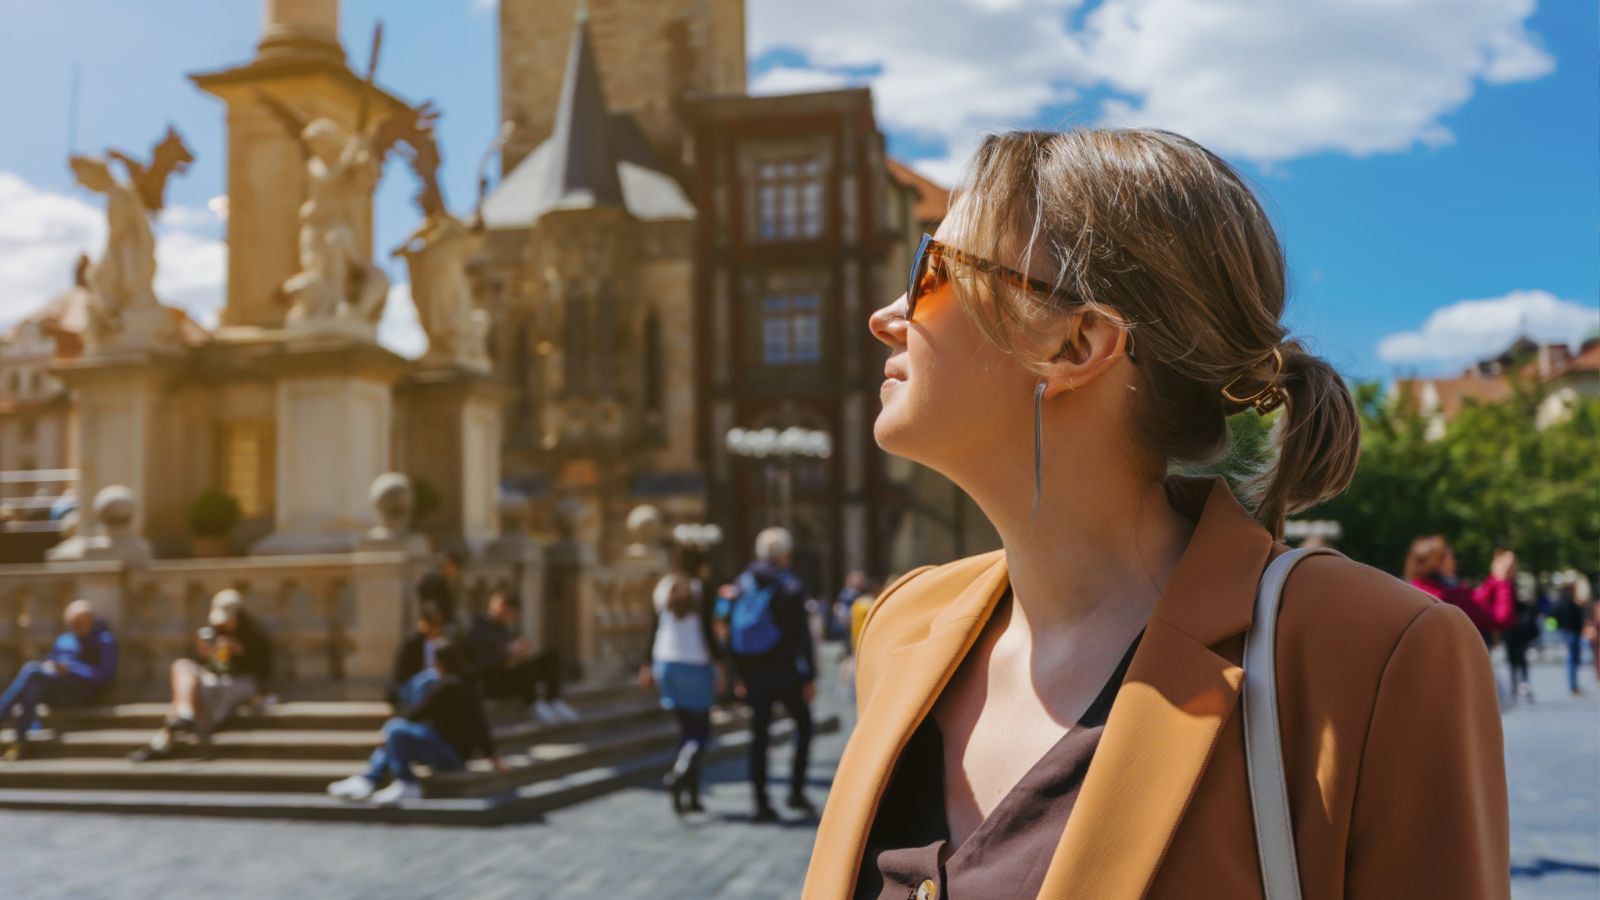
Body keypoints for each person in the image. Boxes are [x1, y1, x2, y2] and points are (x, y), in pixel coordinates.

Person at [803, 129, 1508, 899]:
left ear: (1078, 344)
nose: (887, 315)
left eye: (931, 270)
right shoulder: (903, 628)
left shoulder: (1371, 656)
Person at [327, 639, 505, 805]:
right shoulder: (467, 686)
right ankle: (368, 779)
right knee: (396, 734)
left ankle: (402, 782)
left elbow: (418, 712)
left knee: (395, 730)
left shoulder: (446, 687)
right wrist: (492, 756)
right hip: (456, 755)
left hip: (450, 755)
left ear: (439, 662)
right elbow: (482, 724)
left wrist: (390, 730)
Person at [726, 526, 817, 823]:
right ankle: (796, 791)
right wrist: (809, 676)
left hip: (753, 672)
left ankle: (761, 802)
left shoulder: (743, 583)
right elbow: (802, 636)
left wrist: (737, 676)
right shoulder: (790, 586)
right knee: (803, 726)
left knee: (759, 736)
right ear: (785, 555)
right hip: (785, 671)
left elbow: (731, 631)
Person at [130, 589, 273, 762]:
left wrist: (239, 650)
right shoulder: (215, 633)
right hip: (211, 682)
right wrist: (208, 654)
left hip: (237, 684)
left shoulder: (254, 636)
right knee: (182, 666)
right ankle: (183, 714)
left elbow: (263, 670)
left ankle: (165, 737)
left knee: (185, 696)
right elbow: (206, 666)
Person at [639, 545, 726, 815]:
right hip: (696, 663)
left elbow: (653, 628)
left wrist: (646, 663)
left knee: (686, 732)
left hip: (667, 662)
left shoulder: (663, 586)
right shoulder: (702, 587)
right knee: (700, 733)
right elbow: (708, 632)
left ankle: (691, 794)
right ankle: (679, 775)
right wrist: (720, 663)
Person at [0, 600, 117, 761]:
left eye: (79, 623)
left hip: (82, 693)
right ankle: (19, 740)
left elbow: (106, 676)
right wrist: (51, 666)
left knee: (32, 671)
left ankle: (9, 725)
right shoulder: (64, 639)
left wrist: (72, 669)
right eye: (71, 623)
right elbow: (51, 661)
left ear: (90, 620)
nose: (75, 627)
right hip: (57, 690)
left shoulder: (104, 640)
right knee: (33, 684)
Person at [465, 590, 577, 723]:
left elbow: (511, 647)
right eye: (511, 614)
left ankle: (553, 700)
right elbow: (484, 664)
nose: (512, 618)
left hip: (514, 673)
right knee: (522, 664)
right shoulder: (478, 630)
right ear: (501, 607)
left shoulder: (504, 628)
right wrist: (509, 656)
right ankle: (534, 704)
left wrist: (519, 649)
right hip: (495, 682)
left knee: (551, 657)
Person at [1404, 536, 1517, 646]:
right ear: (1437, 562)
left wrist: (1495, 578)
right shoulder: (1446, 597)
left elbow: (1475, 600)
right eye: (1450, 555)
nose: (1454, 560)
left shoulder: (1418, 590)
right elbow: (1500, 618)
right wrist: (1503, 580)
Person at [387, 598, 452, 711]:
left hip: (435, 684)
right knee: (430, 678)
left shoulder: (444, 643)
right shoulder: (413, 642)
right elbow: (401, 673)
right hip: (413, 686)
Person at [1552, 571, 1592, 696]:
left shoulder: (1570, 597)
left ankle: (1574, 685)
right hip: (1570, 631)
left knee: (1574, 658)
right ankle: (1573, 686)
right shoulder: (1568, 598)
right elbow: (1560, 613)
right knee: (1572, 658)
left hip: (1573, 631)